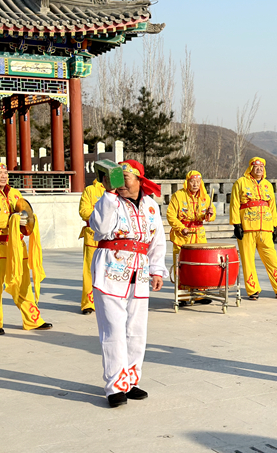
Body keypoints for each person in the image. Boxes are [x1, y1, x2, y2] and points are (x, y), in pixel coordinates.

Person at [90, 160, 169, 408]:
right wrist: (109, 194)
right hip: (112, 268)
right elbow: (100, 227)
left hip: (140, 270)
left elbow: (157, 241)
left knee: (136, 328)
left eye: (125, 178)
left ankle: (131, 380)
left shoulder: (150, 206)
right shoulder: (109, 201)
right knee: (113, 328)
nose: (121, 183)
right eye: (117, 178)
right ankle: (115, 386)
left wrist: (157, 269)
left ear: (138, 180)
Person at [0, 162, 51, 335]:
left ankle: (32, 320)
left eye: (5, 172)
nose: (3, 176)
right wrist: (11, 219)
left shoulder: (15, 194)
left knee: (23, 284)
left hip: (16, 246)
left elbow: (25, 215)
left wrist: (28, 220)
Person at [230, 157, 277, 300]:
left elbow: (272, 207)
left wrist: (275, 226)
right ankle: (253, 289)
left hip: (266, 228)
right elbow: (234, 204)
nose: (259, 169)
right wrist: (236, 224)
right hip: (247, 228)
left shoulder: (268, 185)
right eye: (256, 166)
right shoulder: (241, 183)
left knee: (272, 260)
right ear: (250, 168)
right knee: (247, 260)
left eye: (262, 167)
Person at [166, 170, 216, 305]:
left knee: (200, 265)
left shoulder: (205, 197)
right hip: (182, 234)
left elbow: (211, 216)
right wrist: (181, 228)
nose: (195, 184)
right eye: (192, 181)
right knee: (181, 265)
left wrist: (210, 214)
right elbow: (170, 215)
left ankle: (199, 294)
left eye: (198, 182)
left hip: (199, 235)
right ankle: (182, 296)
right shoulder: (178, 196)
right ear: (187, 182)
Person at [78, 179, 105, 314]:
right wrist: (103, 216)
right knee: (90, 270)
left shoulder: (118, 189)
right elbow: (83, 211)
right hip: (93, 235)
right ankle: (88, 303)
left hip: (112, 237)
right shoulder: (90, 190)